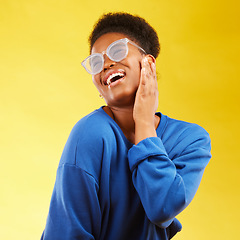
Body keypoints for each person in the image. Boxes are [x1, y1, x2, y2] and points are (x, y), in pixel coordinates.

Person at [40, 12, 211, 240]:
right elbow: (66, 232)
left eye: (117, 51)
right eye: (96, 62)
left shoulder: (190, 139)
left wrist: (143, 123)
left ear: (148, 63)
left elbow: (162, 208)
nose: (107, 64)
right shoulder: (90, 134)